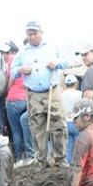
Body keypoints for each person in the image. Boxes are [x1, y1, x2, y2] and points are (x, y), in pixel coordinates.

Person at [11, 21, 68, 167]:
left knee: (58, 124)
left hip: (52, 90)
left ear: (41, 33)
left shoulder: (52, 47)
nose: (32, 37)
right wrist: (20, 70)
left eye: (35, 33)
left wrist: (57, 63)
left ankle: (60, 159)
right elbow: (13, 71)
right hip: (33, 94)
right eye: (29, 34)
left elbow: (65, 61)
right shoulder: (22, 53)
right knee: (37, 127)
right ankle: (41, 160)